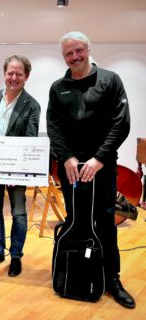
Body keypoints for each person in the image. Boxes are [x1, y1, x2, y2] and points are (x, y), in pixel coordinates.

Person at [47, 31, 135, 309]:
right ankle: (78, 271)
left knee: (105, 223)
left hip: (101, 168)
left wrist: (98, 159)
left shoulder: (110, 80)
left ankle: (112, 279)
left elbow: (120, 123)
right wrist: (67, 158)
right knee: (76, 220)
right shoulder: (58, 87)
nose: (74, 57)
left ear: (88, 49)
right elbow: (54, 126)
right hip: (71, 169)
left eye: (78, 51)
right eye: (68, 54)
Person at [0, 55, 41, 277]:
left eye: (19, 74)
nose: (14, 78)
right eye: (10, 73)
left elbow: (31, 138)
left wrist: (20, 171)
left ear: (26, 76)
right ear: (4, 74)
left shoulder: (32, 105)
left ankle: (16, 255)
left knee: (19, 214)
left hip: (16, 170)